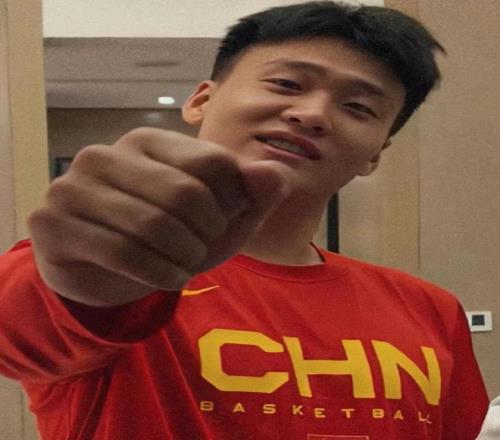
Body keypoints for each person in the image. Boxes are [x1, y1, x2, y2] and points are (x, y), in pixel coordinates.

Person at [0, 1, 489, 439]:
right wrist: (93, 277)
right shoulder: (113, 269)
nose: (312, 114)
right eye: (286, 84)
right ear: (201, 100)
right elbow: (15, 336)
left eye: (359, 107)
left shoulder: (430, 309)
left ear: (376, 153)